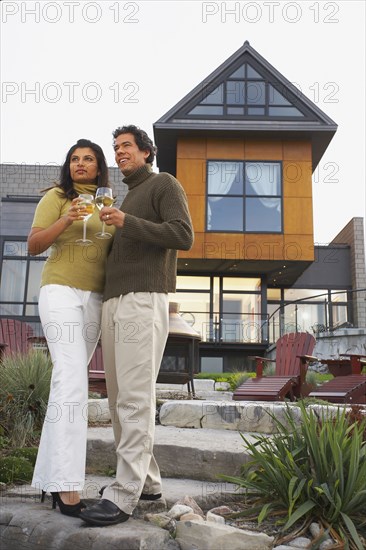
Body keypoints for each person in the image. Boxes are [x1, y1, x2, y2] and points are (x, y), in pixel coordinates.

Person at [79, 125, 194, 526]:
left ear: (147, 151)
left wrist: (128, 221)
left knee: (133, 398)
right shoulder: (127, 195)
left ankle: (123, 493)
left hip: (143, 300)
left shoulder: (164, 184)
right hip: (115, 303)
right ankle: (148, 484)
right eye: (116, 148)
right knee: (117, 400)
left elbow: (184, 235)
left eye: (126, 146)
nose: (119, 152)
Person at [29, 138, 115, 517]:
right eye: (75, 159)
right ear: (69, 165)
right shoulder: (57, 197)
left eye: (89, 159)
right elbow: (33, 245)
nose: (81, 164)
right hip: (60, 289)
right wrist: (67, 219)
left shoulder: (107, 204)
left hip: (94, 297)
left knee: (70, 379)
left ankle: (51, 480)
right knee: (71, 379)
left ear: (99, 168)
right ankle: (67, 487)